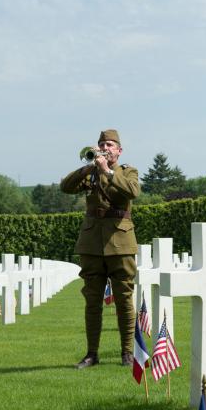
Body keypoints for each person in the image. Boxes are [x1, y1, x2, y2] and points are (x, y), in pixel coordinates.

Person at [60, 129, 140, 368]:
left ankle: (127, 352)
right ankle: (92, 353)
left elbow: (132, 191)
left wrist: (107, 170)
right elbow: (65, 186)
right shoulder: (90, 173)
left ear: (119, 150)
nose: (105, 148)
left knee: (124, 298)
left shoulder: (128, 171)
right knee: (92, 300)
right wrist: (89, 167)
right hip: (92, 243)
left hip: (121, 242)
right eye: (102, 144)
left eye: (110, 145)